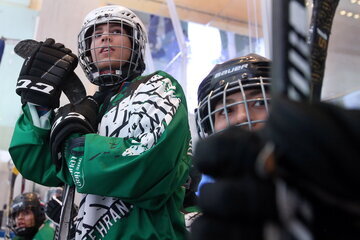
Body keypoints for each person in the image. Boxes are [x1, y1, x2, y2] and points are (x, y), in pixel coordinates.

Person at [9, 5, 191, 240]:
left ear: (135, 43)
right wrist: (38, 104)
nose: (104, 36)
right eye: (95, 34)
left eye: (116, 30)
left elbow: (148, 166)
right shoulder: (89, 109)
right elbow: (38, 163)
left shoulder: (158, 86)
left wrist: (72, 143)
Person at [190, 65, 360, 238]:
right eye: (226, 110)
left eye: (260, 102)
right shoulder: (206, 216)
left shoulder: (327, 178)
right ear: (208, 127)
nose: (242, 117)